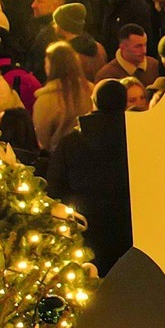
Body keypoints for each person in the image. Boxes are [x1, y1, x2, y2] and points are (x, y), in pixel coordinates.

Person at [47, 77, 132, 275]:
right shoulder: (138, 139)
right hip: (130, 230)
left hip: (86, 227)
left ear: (94, 102)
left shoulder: (72, 142)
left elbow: (56, 186)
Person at [33, 39, 93, 153]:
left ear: (50, 65)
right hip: (87, 155)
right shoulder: (88, 92)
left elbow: (42, 137)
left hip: (58, 158)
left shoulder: (46, 100)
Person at [96, 25, 161, 86]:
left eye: (145, 45)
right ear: (123, 47)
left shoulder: (154, 65)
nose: (144, 51)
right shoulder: (106, 75)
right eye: (138, 46)